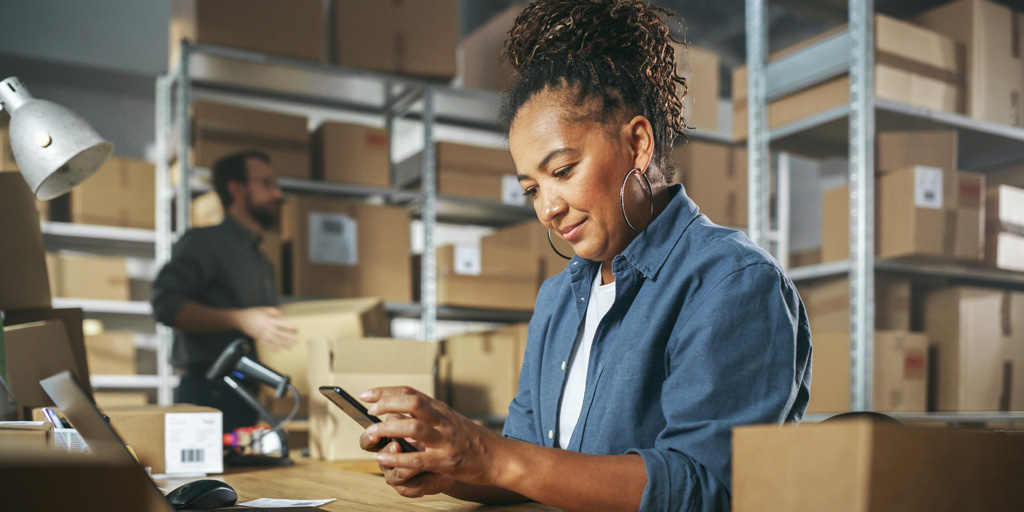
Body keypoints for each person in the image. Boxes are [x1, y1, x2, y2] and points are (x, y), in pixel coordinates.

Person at [358, 1, 812, 510]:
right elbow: (528, 465)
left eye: (563, 170)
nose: (548, 208)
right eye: (531, 189)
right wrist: (447, 464)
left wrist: (489, 453)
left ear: (638, 144)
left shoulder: (731, 281)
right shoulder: (558, 298)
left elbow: (704, 488)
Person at [152, 151, 297, 432]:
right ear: (236, 188)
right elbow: (166, 305)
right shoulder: (203, 243)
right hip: (207, 392)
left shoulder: (262, 261)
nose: (277, 193)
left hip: (247, 393)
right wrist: (242, 320)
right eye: (266, 183)